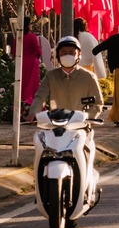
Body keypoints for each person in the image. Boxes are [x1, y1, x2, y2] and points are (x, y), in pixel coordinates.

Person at [33, 36, 103, 186]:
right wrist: (33, 112)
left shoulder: (88, 77)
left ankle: (85, 184)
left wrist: (87, 118)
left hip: (80, 127)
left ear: (79, 55)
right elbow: (40, 96)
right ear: (57, 55)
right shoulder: (51, 76)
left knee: (85, 153)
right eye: (64, 52)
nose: (68, 55)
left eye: (71, 52)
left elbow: (97, 103)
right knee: (42, 151)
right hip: (55, 127)